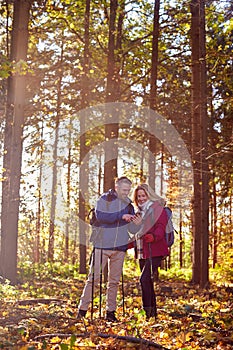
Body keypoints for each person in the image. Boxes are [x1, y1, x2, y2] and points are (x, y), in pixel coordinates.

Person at [77, 176, 141, 322]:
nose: (126, 193)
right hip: (102, 245)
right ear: (117, 187)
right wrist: (121, 215)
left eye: (128, 190)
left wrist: (137, 223)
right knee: (93, 279)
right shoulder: (104, 199)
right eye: (124, 190)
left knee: (114, 282)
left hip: (120, 248)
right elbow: (101, 216)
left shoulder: (129, 205)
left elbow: (131, 228)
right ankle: (82, 311)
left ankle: (110, 313)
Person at [132, 183, 169, 320]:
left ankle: (146, 313)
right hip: (142, 250)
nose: (141, 199)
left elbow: (161, 226)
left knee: (144, 279)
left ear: (149, 195)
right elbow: (136, 231)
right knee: (147, 282)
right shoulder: (138, 212)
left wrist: (154, 236)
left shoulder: (157, 208)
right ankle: (152, 314)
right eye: (138, 196)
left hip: (155, 249)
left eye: (143, 195)